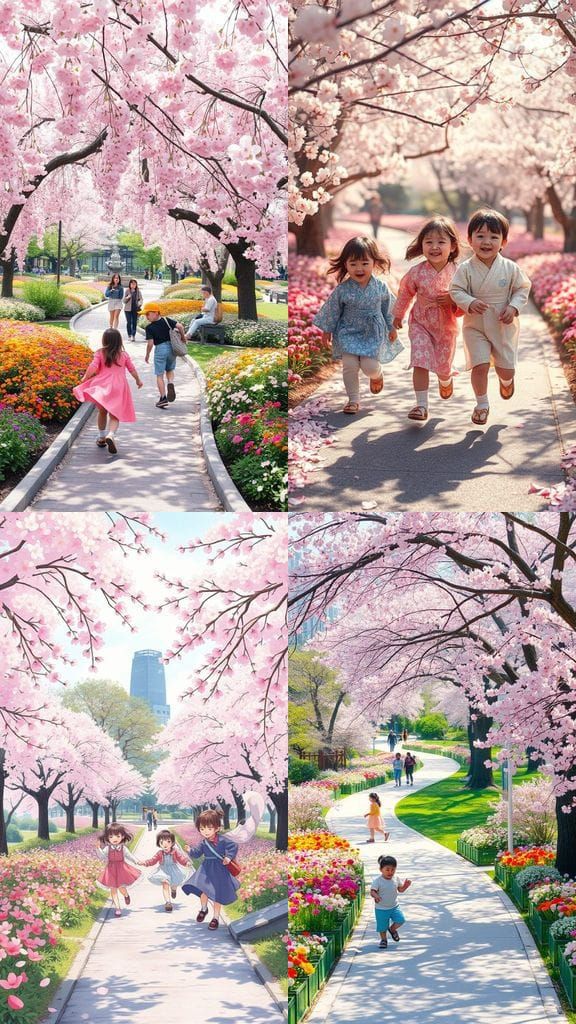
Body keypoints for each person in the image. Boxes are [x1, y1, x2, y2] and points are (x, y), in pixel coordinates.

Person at [449, 208, 531, 425]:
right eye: (480, 236)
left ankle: (506, 380)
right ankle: (482, 405)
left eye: (494, 237)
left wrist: (513, 307)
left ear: (503, 241)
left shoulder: (510, 268)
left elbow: (522, 288)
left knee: (506, 369)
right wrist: (469, 301)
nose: (487, 242)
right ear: (470, 239)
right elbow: (455, 290)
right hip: (475, 325)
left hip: (502, 324)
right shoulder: (466, 269)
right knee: (480, 365)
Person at [313, 236, 402, 415]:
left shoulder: (381, 287)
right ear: (345, 265)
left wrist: (392, 327)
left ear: (374, 263)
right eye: (353, 264)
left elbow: (389, 308)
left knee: (370, 367)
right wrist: (327, 329)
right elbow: (333, 310)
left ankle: (377, 375)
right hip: (348, 331)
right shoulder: (343, 289)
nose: (359, 268)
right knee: (350, 365)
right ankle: (353, 400)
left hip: (372, 332)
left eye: (364, 263)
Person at [393, 216, 464, 421]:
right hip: (420, 323)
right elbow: (405, 292)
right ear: (421, 245)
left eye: (441, 242)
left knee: (443, 368)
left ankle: (445, 379)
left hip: (446, 326)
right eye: (429, 242)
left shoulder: (459, 272)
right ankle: (421, 406)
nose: (434, 247)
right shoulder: (416, 272)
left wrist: (453, 299)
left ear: (452, 246)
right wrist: (398, 314)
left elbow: (467, 297)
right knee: (420, 360)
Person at [182, 791, 264, 930]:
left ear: (217, 828)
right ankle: (203, 909)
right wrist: (190, 851)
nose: (206, 831)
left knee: (217, 894)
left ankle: (215, 918)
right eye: (202, 828)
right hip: (206, 869)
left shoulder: (223, 840)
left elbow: (233, 846)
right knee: (203, 890)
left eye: (209, 828)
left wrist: (228, 857)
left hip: (219, 869)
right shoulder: (203, 843)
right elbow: (197, 854)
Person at [72, 328, 143, 454]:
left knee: (102, 412)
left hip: (103, 385)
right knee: (115, 414)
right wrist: (138, 380)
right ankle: (111, 434)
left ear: (104, 340)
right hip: (119, 386)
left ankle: (101, 437)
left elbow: (93, 366)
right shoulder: (124, 355)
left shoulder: (100, 353)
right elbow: (132, 369)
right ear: (119, 341)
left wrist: (85, 377)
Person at [144, 303, 187, 408]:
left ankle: (163, 398)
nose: (146, 316)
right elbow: (180, 326)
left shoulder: (149, 327)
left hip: (160, 350)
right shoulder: (167, 320)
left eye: (147, 314)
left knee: (159, 375)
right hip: (172, 349)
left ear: (155, 313)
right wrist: (183, 337)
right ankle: (170, 383)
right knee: (170, 369)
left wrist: (147, 354)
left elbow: (150, 343)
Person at [138, 829, 190, 912]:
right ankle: (168, 902)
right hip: (163, 870)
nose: (165, 845)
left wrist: (186, 862)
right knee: (165, 884)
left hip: (174, 869)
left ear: (172, 843)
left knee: (174, 883)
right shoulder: (160, 853)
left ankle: (173, 889)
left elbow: (181, 858)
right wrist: (145, 863)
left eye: (168, 842)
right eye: (162, 842)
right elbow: (153, 860)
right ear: (159, 843)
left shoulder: (175, 851)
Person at [96, 823, 141, 918]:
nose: (114, 839)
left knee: (121, 888)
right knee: (113, 889)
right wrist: (98, 848)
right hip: (110, 869)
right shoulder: (107, 849)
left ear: (122, 836)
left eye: (118, 836)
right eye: (111, 836)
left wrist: (136, 861)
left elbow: (129, 856)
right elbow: (102, 857)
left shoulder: (123, 848)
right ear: (107, 838)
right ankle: (117, 908)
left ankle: (126, 895)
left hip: (121, 869)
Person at [370, 854, 412, 949]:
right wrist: (376, 896)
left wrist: (405, 886)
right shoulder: (378, 881)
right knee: (382, 926)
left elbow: (400, 890)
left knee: (401, 920)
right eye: (387, 870)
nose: (390, 872)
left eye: (393, 870)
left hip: (394, 906)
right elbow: (372, 891)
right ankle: (383, 940)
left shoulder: (396, 878)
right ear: (381, 869)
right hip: (381, 908)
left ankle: (392, 929)